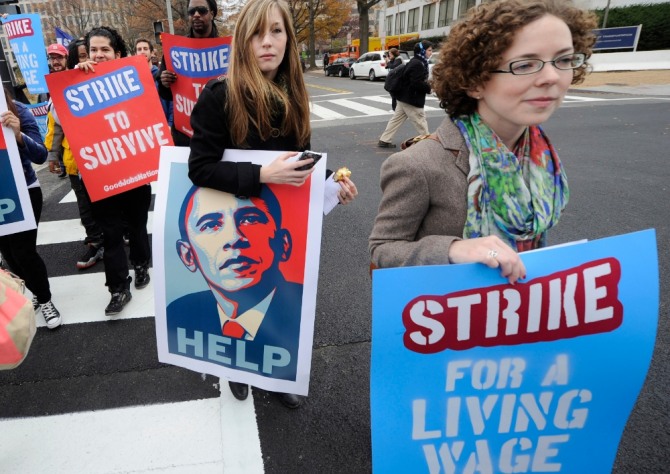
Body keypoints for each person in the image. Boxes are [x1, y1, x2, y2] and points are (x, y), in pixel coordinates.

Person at [188, 0, 357, 408]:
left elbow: (299, 165)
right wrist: (260, 176)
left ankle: (278, 375)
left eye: (277, 32)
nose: (267, 42)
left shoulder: (294, 95)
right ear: (243, 41)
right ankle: (235, 369)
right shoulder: (220, 96)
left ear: (289, 40)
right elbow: (200, 168)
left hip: (278, 227)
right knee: (236, 302)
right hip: (235, 218)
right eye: (257, 34)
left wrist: (329, 186)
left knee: (278, 300)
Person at [369, 0, 597, 283]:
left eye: (563, 60)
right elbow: (382, 249)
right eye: (525, 64)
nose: (552, 77)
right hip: (445, 317)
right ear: (475, 81)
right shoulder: (418, 165)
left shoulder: (540, 155)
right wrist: (453, 249)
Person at [167, 186, 303, 381]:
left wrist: (330, 188)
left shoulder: (301, 309)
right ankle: (234, 373)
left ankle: (281, 381)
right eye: (210, 224)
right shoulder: (178, 313)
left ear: (283, 244)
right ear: (188, 256)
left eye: (250, 219)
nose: (234, 238)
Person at [77, 26, 152, 316]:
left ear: (117, 54)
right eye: (93, 50)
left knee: (136, 224)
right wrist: (75, 78)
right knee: (110, 233)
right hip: (100, 174)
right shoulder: (75, 83)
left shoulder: (134, 80)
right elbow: (59, 118)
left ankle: (141, 263)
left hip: (133, 170)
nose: (98, 55)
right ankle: (119, 287)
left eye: (104, 49)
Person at [0, 87, 62, 329]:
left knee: (24, 251)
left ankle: (45, 299)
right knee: (9, 253)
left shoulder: (18, 110)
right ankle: (34, 291)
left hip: (23, 190)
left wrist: (18, 135)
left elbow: (40, 155)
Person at [44, 42, 105, 271]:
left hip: (97, 156)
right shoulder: (53, 88)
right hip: (74, 161)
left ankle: (114, 235)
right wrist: (53, 155)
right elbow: (56, 127)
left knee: (104, 202)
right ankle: (96, 241)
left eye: (59, 57)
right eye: (52, 58)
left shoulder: (81, 77)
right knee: (84, 206)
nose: (56, 62)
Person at [157, 0, 219, 146]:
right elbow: (166, 94)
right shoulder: (175, 49)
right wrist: (164, 82)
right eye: (192, 12)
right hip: (185, 137)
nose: (196, 15)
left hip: (219, 134)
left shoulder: (229, 48)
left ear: (212, 14)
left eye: (202, 10)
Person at [377, 40, 433, 148]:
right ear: (422, 51)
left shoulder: (415, 61)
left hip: (403, 97)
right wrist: (429, 89)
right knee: (421, 122)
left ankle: (384, 140)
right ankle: (428, 145)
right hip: (411, 99)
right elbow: (416, 83)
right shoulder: (418, 64)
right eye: (429, 50)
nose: (431, 52)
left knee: (396, 120)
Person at [135, 38, 173, 127]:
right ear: (135, 54)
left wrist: (170, 125)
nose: (142, 52)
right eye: (139, 49)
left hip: (164, 127)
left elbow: (172, 102)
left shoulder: (162, 76)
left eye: (145, 48)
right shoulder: (132, 79)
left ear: (151, 53)